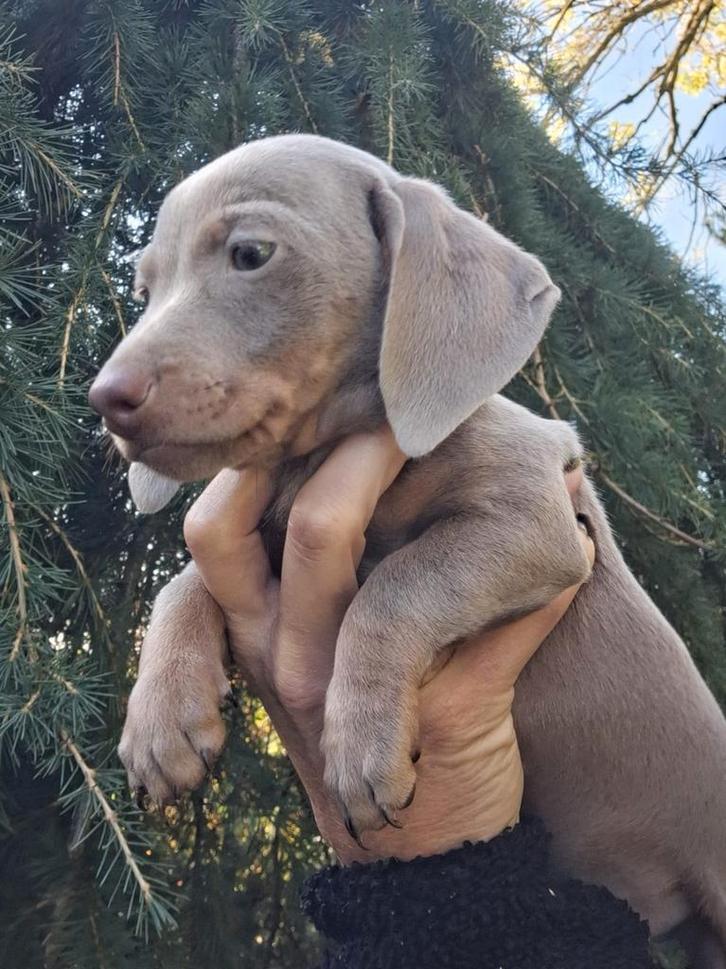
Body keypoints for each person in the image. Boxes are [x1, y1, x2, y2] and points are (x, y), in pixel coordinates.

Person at [183, 427, 654, 968]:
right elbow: (246, 562)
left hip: (660, 824)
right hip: (557, 872)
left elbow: (555, 478)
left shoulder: (462, 434)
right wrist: (181, 641)